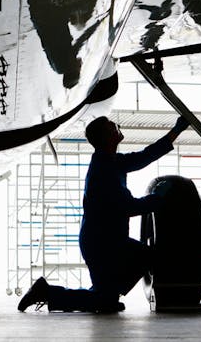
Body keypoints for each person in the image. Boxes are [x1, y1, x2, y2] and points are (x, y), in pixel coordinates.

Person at [17, 114, 190, 313]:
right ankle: (47, 292)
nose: (118, 127)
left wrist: (176, 131)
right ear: (107, 136)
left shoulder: (111, 160)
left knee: (123, 279)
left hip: (106, 241)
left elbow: (145, 156)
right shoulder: (104, 170)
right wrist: (157, 198)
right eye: (112, 127)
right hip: (101, 244)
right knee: (132, 270)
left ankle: (105, 293)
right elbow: (129, 207)